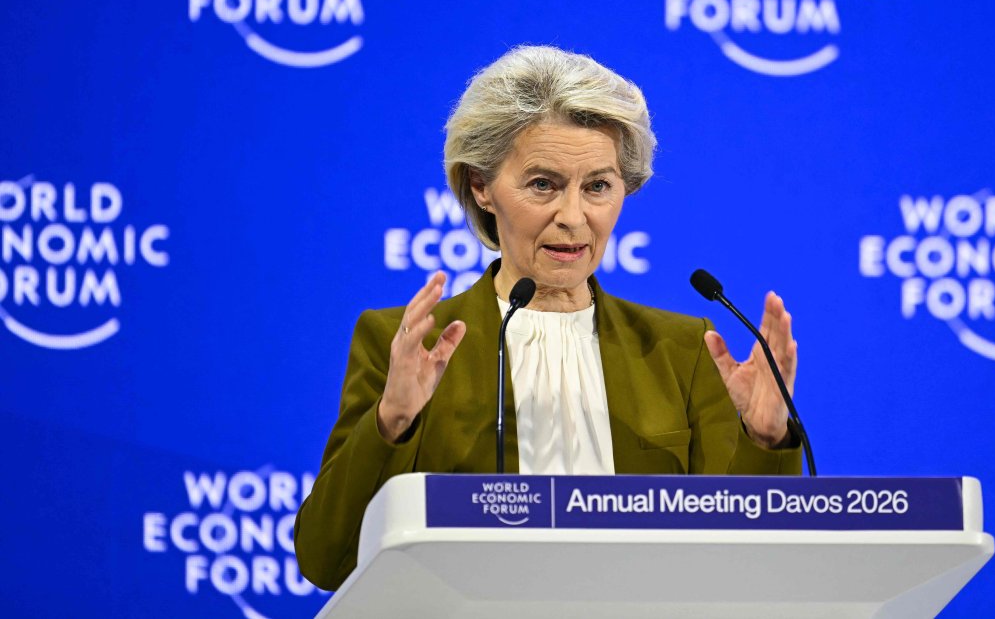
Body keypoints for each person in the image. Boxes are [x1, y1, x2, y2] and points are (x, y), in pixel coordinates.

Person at [295, 45, 805, 591]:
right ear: (480, 186)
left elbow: (745, 571)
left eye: (598, 187)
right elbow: (328, 560)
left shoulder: (684, 349)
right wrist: (392, 422)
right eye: (543, 184)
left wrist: (766, 440)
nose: (573, 217)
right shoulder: (402, 346)